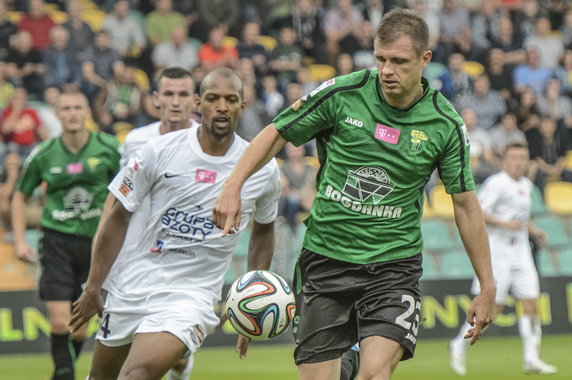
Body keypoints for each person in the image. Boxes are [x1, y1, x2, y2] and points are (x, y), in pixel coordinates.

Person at [213, 9, 496, 380]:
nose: (387, 70)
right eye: (381, 59)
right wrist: (232, 186)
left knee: (375, 375)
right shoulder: (343, 94)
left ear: (425, 60)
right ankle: (346, 364)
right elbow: (277, 132)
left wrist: (487, 284)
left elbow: (466, 206)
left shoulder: (445, 124)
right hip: (326, 260)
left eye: (399, 61)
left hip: (393, 265)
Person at [69, 67, 281, 380]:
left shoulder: (262, 168)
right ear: (199, 103)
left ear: (242, 105)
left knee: (137, 375)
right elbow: (117, 218)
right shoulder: (159, 150)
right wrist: (93, 287)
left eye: (230, 99)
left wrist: (247, 303)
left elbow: (264, 230)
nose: (221, 106)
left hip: (191, 295)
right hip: (134, 283)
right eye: (212, 98)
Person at [92, 66, 200, 380]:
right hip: (132, 263)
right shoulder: (136, 141)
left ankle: (181, 367)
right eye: (168, 94)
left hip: (182, 268)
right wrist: (97, 265)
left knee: (175, 358)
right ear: (155, 99)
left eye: (182, 94)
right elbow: (116, 203)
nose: (175, 101)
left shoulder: (207, 144)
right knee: (119, 363)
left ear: (194, 100)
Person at [11, 90, 120, 380]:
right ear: (57, 114)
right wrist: (21, 240)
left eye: (77, 107)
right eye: (66, 108)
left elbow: (126, 193)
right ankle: (63, 374)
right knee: (60, 322)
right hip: (56, 240)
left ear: (88, 112)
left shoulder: (109, 148)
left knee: (81, 325)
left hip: (96, 243)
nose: (72, 113)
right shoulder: (44, 153)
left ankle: (64, 370)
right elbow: (19, 196)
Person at [449, 142, 557, 376]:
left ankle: (532, 358)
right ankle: (458, 343)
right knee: (492, 310)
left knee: (531, 304)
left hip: (522, 254)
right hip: (498, 255)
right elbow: (479, 213)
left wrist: (535, 230)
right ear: (505, 160)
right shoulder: (496, 183)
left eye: (522, 157)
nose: (519, 161)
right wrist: (505, 224)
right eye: (514, 157)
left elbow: (522, 217)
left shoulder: (526, 185)